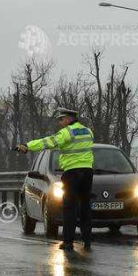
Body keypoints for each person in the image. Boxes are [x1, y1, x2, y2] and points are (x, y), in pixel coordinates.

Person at [16, 107, 94, 251]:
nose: (59, 122)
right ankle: (87, 240)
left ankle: (68, 242)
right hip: (88, 172)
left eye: (61, 119)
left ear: (69, 118)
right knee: (85, 206)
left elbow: (48, 142)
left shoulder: (67, 133)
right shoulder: (88, 131)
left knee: (69, 207)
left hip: (72, 172)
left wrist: (28, 146)